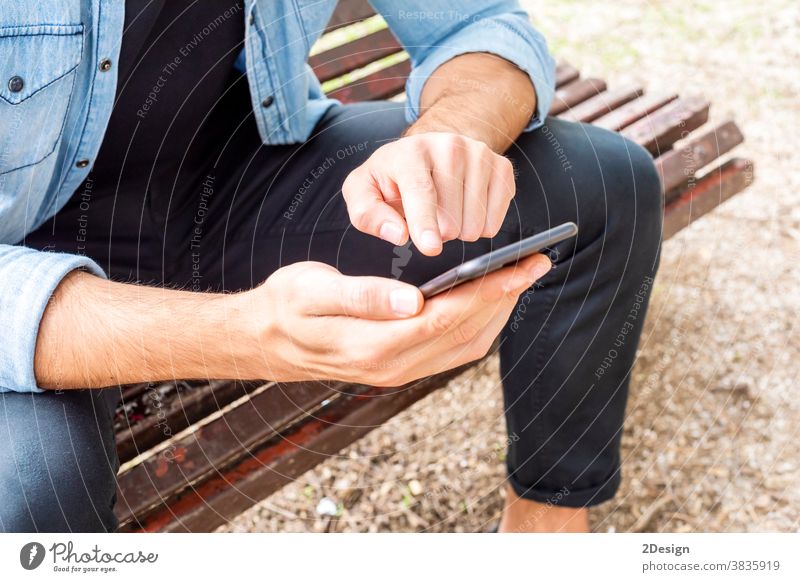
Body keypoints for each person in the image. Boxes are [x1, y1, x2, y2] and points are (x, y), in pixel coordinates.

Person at [0, 0, 662, 532]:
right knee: (28, 491)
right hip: (26, 260)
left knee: (603, 183)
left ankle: (544, 533)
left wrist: (449, 135)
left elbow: (478, 23)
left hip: (237, 181)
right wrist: (244, 335)